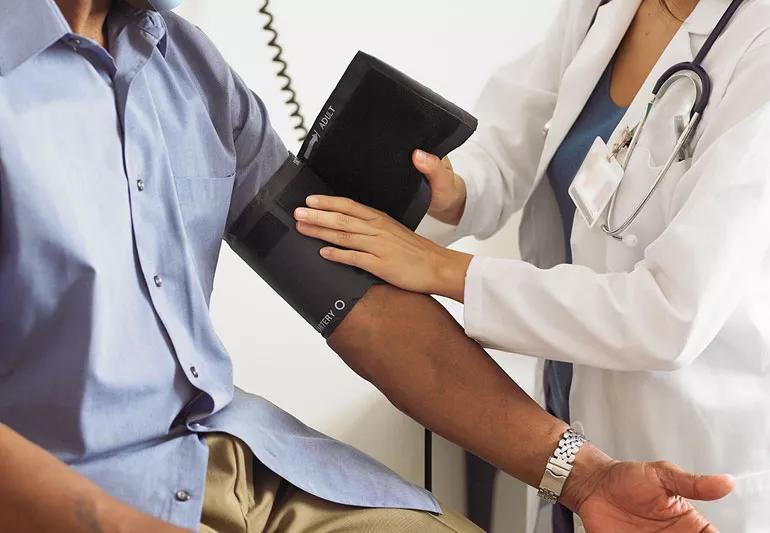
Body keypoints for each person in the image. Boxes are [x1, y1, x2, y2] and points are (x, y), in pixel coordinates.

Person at [0, 0, 735, 532]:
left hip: (233, 460)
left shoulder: (186, 66)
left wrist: (585, 475)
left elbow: (361, 305)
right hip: (66, 491)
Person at [294, 0, 770, 531]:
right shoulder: (604, 8)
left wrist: (444, 269)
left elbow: (670, 314)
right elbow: (510, 143)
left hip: (695, 449)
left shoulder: (759, 49)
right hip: (571, 412)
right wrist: (454, 189)